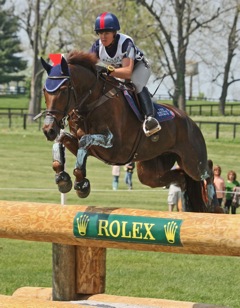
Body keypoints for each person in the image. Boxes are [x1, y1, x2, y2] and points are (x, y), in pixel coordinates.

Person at [90, 12, 161, 137]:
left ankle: (150, 119)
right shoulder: (97, 46)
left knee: (136, 83)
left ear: (114, 33)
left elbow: (127, 72)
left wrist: (107, 71)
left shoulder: (125, 43)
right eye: (100, 33)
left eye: (106, 33)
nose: (103, 37)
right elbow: (88, 66)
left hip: (138, 68)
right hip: (117, 71)